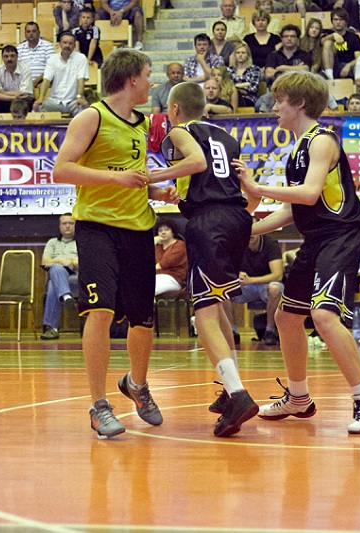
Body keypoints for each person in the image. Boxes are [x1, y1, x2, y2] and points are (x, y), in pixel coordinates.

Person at [237, 71, 360, 434]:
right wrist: (246, 230)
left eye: (280, 101)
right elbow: (292, 210)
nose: (274, 107)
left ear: (300, 103)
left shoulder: (322, 141)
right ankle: (298, 397)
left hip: (341, 236)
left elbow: (308, 194)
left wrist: (257, 188)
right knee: (288, 318)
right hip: (316, 240)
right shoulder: (297, 150)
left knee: (323, 315)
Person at [52, 48, 179, 438]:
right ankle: (98, 404)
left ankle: (137, 384)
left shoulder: (143, 124)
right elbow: (61, 170)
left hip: (138, 228)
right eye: (148, 74)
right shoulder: (92, 117)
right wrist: (114, 177)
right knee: (101, 311)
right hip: (97, 227)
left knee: (142, 319)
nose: (152, 81)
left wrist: (157, 191)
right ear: (131, 79)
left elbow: (132, 177)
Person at [150, 81, 260, 437]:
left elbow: (196, 162)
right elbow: (229, 183)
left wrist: (154, 176)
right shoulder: (226, 137)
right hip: (237, 219)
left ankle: (238, 394)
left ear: (175, 109)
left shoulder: (180, 131)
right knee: (217, 306)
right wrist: (180, 199)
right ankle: (230, 388)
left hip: (209, 223)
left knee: (203, 315)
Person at [222, 225, 285, 346]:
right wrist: (236, 274)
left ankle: (270, 331)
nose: (251, 233)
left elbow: (278, 275)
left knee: (275, 288)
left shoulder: (270, 244)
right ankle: (232, 331)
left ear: (261, 230)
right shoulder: (236, 244)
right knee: (222, 290)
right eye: (248, 230)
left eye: (255, 229)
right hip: (246, 287)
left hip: (267, 285)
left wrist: (251, 280)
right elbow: (226, 269)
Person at [40, 213, 79, 340]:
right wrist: (60, 260)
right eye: (64, 223)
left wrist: (71, 262)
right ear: (60, 226)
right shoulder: (52, 243)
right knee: (56, 270)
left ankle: (53, 329)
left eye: (71, 223)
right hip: (58, 276)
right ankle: (66, 296)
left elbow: (85, 261)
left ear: (75, 225)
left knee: (53, 284)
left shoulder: (82, 241)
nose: (67, 226)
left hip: (76, 278)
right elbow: (45, 262)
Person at [33, 31, 90, 116]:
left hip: (74, 101)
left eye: (70, 43)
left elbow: (81, 80)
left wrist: (79, 97)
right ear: (59, 44)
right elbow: (46, 80)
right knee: (38, 107)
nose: (67, 45)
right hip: (54, 101)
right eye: (65, 42)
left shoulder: (81, 58)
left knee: (84, 109)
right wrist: (41, 98)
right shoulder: (52, 59)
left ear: (74, 46)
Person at [0, 45, 35, 114]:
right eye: (6, 56)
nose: (9, 59)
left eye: (12, 56)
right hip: (4, 101)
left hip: (21, 101)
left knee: (28, 103)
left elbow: (25, 94)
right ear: (2, 58)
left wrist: (2, 92)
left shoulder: (25, 69)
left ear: (17, 57)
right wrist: (14, 97)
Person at [321, 8, 360, 81]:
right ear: (332, 21)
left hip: (348, 66)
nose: (338, 22)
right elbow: (322, 42)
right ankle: (329, 75)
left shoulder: (354, 37)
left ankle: (359, 87)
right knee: (327, 42)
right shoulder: (326, 33)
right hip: (332, 66)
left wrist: (348, 66)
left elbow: (359, 58)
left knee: (358, 68)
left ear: (346, 21)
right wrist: (333, 35)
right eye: (335, 19)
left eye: (341, 20)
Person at [154, 217, 187, 295]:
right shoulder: (157, 247)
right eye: (160, 230)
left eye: (166, 229)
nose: (163, 232)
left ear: (172, 232)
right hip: (156, 277)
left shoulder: (179, 245)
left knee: (147, 288)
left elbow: (164, 263)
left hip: (173, 279)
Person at [16, 22, 55, 86]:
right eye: (28, 31)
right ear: (25, 34)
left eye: (34, 31)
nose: (31, 33)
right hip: (24, 84)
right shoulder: (19, 49)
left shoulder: (48, 46)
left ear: (39, 33)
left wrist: (36, 81)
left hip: (43, 83)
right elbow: (17, 70)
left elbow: (51, 68)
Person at [228, 43, 262, 108]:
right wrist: (245, 85)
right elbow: (226, 87)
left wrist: (234, 86)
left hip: (248, 99)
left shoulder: (255, 69)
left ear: (248, 55)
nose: (240, 55)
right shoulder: (229, 70)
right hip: (230, 99)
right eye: (238, 53)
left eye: (243, 53)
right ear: (235, 55)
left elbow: (253, 88)